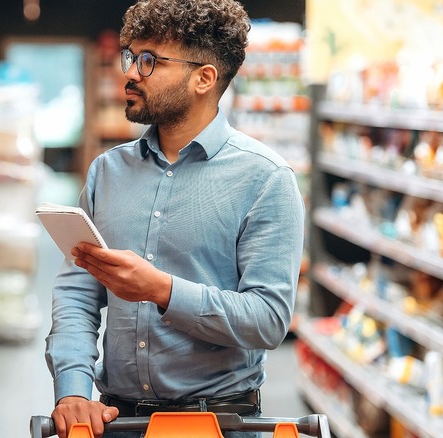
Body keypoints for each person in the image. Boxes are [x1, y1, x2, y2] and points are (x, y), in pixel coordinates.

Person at [45, 0, 305, 437]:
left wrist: (163, 291)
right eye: (131, 57)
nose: (129, 73)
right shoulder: (107, 172)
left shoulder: (265, 179)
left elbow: (268, 318)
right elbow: (77, 291)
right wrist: (72, 388)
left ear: (204, 78)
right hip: (118, 421)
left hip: (219, 423)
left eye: (149, 61)